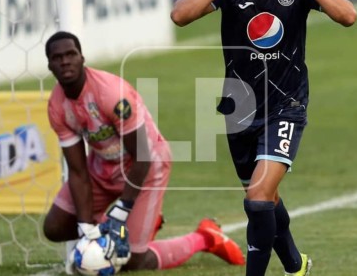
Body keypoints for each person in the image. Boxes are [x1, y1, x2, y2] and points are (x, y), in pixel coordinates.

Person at [170, 0, 357, 276]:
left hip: (286, 106)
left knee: (257, 199)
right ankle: (296, 266)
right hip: (238, 107)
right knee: (263, 199)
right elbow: (180, 15)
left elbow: (348, 16)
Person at [42, 31, 246, 272]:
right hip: (102, 169)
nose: (65, 61)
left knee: (133, 260)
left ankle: (205, 237)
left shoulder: (111, 94)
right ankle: (135, 226)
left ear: (82, 58)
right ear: (50, 65)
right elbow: (77, 171)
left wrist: (122, 210)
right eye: (58, 57)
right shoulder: (56, 107)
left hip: (147, 166)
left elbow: (142, 156)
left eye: (70, 54)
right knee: (55, 227)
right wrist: (85, 227)